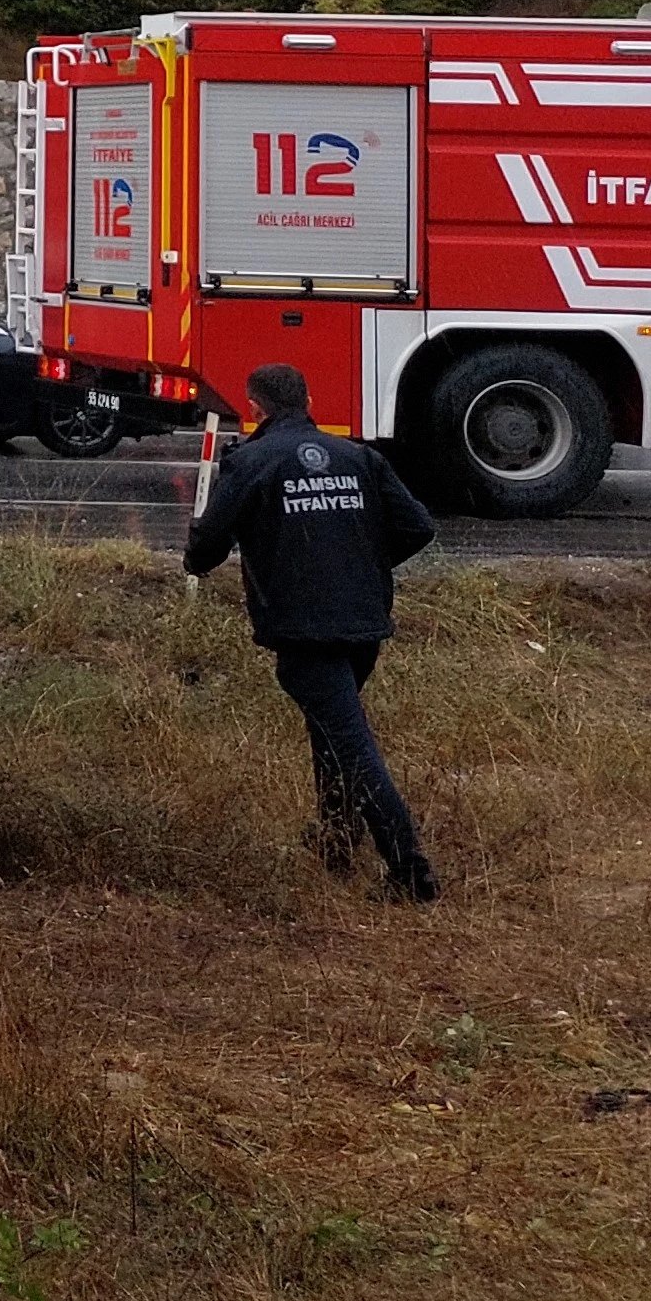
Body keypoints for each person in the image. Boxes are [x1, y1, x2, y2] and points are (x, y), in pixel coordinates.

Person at [185, 361, 441, 901]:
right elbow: (419, 525)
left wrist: (203, 559)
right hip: (364, 627)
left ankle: (410, 873)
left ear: (255, 408)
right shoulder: (358, 456)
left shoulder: (253, 460)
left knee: (350, 743)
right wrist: (367, 564)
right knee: (332, 734)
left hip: (304, 631)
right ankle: (335, 842)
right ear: (306, 400)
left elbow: (206, 545)